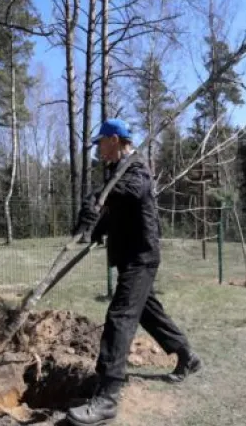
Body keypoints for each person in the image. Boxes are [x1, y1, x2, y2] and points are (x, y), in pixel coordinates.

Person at [66, 119, 202, 426]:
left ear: (114, 140)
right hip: (129, 256)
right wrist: (94, 227)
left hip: (142, 256)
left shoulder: (136, 167)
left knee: (120, 317)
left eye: (100, 143)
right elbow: (116, 210)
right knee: (149, 313)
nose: (98, 149)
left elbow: (132, 192)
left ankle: (107, 398)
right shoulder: (116, 172)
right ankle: (188, 357)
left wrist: (96, 199)